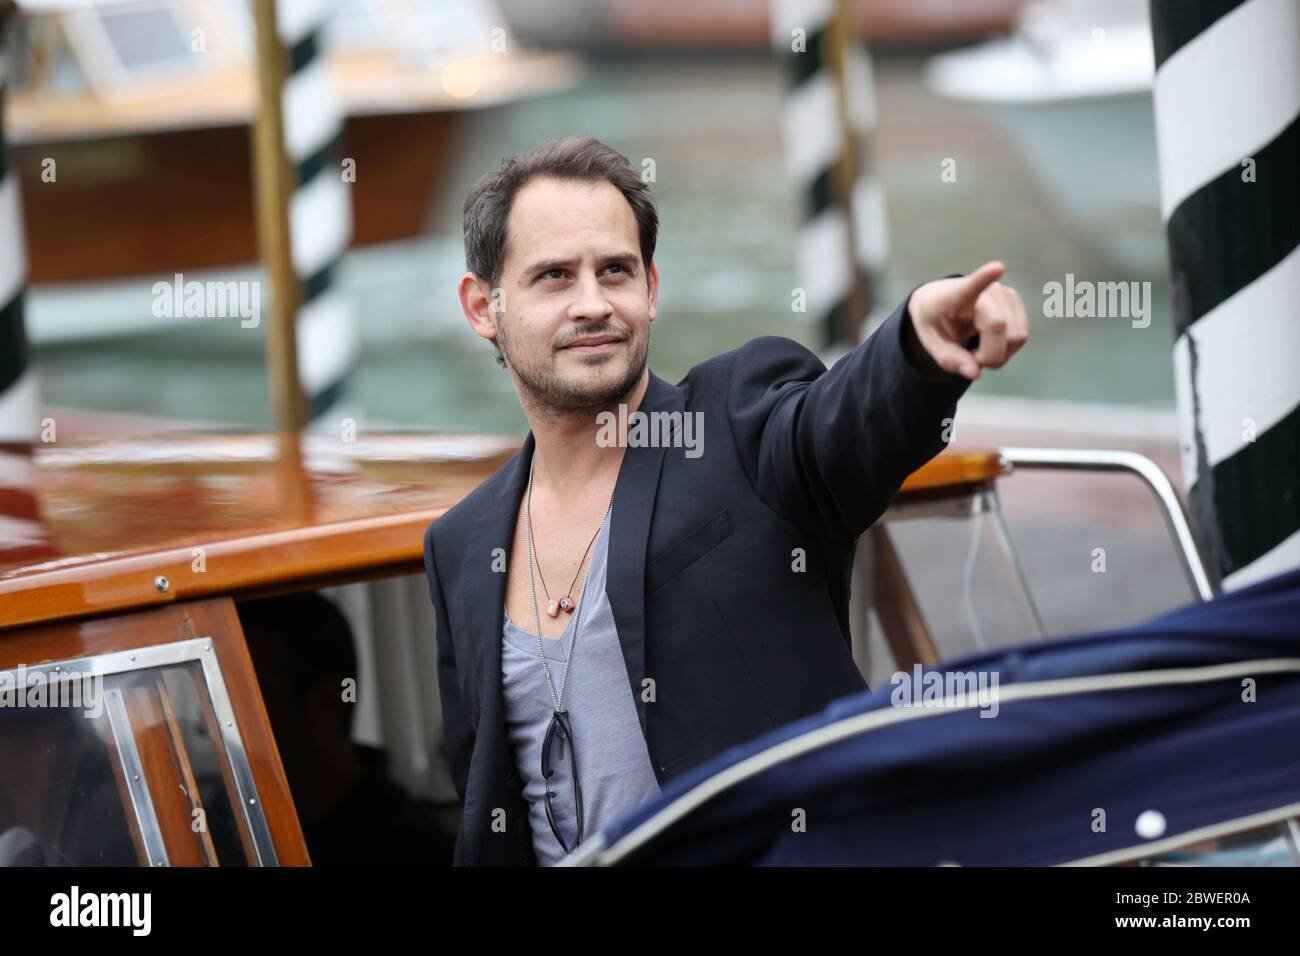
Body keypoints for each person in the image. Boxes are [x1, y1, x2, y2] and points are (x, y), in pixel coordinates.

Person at [422, 136, 1029, 866]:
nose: (593, 304)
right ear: (483, 306)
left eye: (614, 270)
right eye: (554, 276)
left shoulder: (738, 423)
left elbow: (845, 422)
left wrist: (919, 341)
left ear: (650, 287)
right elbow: (482, 798)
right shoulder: (461, 545)